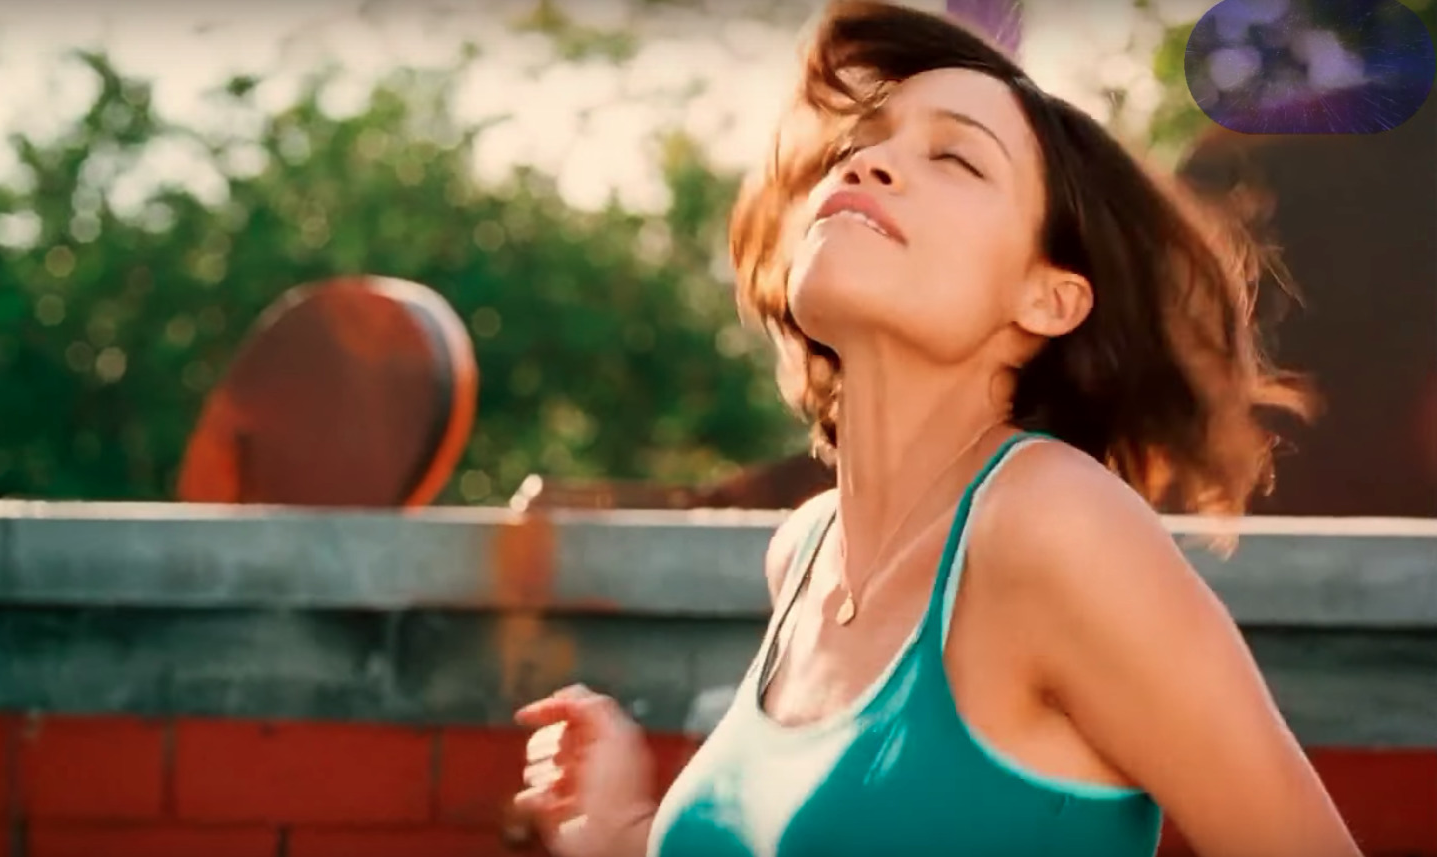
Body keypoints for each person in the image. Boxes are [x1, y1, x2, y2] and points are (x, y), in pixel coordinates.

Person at [514, 2, 1360, 855]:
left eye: (953, 155)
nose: (871, 163)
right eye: (860, 144)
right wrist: (619, 833)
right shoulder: (805, 554)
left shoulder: (1053, 526)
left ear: (1048, 297)